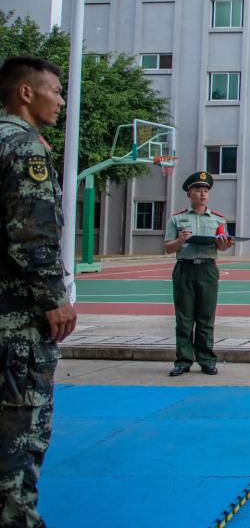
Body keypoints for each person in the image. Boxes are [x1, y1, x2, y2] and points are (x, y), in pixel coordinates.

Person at [0, 56, 78, 527]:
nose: (62, 100)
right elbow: (31, 235)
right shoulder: (24, 147)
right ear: (26, 93)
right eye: (56, 90)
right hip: (16, 320)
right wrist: (54, 299)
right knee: (19, 431)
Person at [164, 171, 233, 377]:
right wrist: (180, 240)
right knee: (184, 317)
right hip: (185, 268)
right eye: (198, 190)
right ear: (189, 193)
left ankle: (206, 360)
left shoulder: (218, 219)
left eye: (205, 191)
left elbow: (223, 245)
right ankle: (183, 360)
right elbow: (168, 247)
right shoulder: (177, 219)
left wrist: (224, 244)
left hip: (207, 269)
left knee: (206, 316)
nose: (203, 194)